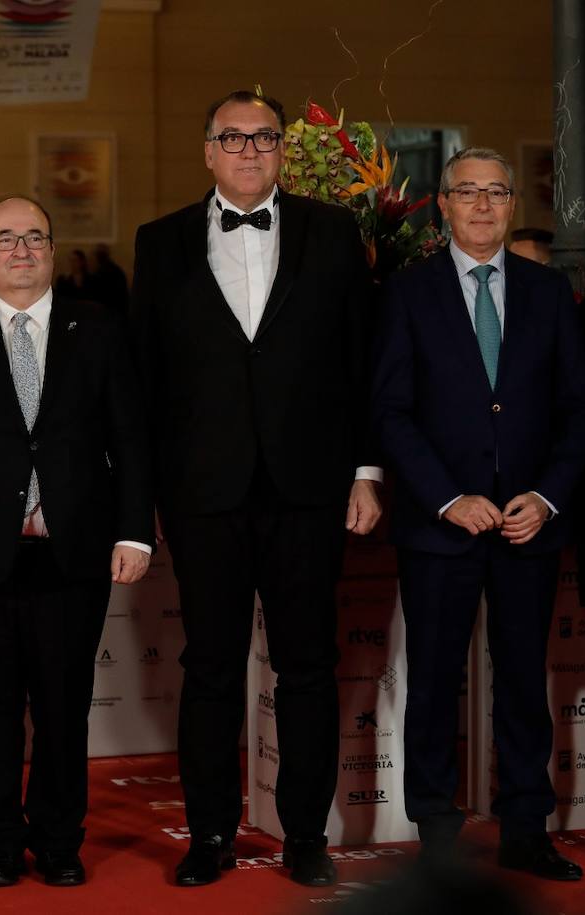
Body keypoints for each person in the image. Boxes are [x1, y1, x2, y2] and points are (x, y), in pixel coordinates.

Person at [129, 90, 381, 888]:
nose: (246, 150)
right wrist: (144, 503)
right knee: (209, 665)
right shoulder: (160, 242)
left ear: (281, 150)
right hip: (203, 492)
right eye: (231, 137)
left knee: (306, 664)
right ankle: (209, 834)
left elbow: (361, 362)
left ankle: (305, 830)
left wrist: (367, 471)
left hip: (308, 486)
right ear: (207, 150)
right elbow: (145, 383)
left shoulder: (334, 233)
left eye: (262, 136)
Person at [0, 195, 153, 888]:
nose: (21, 250)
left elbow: (130, 439)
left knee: (63, 709)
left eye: (34, 237)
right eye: (5, 239)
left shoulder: (100, 328)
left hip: (73, 554)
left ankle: (57, 839)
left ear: (52, 250)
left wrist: (135, 529)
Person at [371, 147, 585, 881]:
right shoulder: (406, 292)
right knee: (432, 683)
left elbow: (577, 410)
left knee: (526, 683)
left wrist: (549, 495)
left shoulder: (549, 292)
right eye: (470, 192)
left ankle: (527, 828)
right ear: (445, 204)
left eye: (498, 193)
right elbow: (391, 411)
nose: (486, 205)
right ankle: (436, 836)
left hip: (531, 524)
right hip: (440, 528)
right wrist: (447, 496)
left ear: (512, 206)